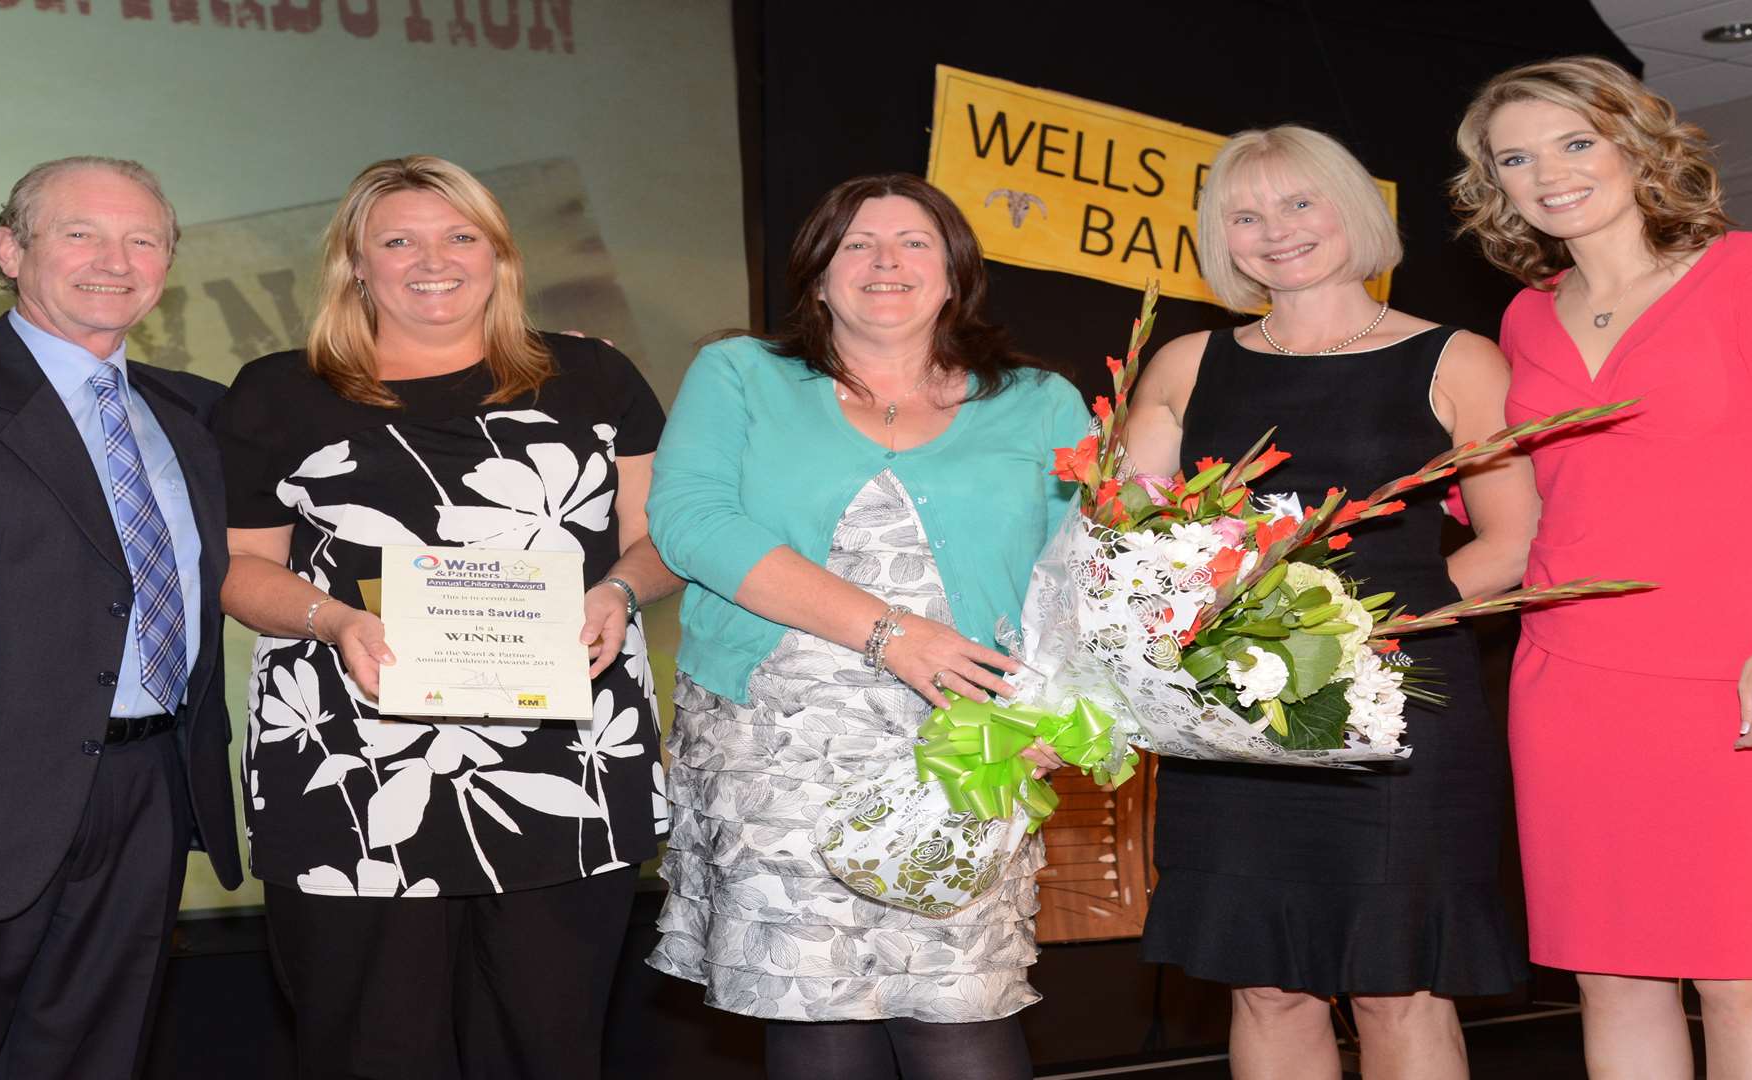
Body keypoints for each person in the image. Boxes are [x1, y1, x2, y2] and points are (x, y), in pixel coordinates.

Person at [212, 155, 677, 1079]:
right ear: (356, 262)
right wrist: (336, 620)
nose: (435, 259)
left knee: (548, 1048)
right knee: (371, 1050)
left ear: (498, 254)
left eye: (461, 235)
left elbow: (660, 539)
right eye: (400, 240)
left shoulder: (592, 375)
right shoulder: (278, 391)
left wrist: (617, 592)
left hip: (564, 766)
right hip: (350, 774)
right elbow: (235, 571)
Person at [645, 172, 1085, 1080]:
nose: (886, 261)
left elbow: (1082, 571)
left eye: (914, 243)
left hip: (966, 747)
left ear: (955, 275)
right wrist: (894, 635)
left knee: (963, 1022)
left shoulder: (1039, 400)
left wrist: (1058, 711)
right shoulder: (740, 373)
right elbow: (690, 521)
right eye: (857, 244)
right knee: (819, 1032)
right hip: (775, 752)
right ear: (817, 278)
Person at [1121, 126, 1539, 1080]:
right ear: (1219, 238)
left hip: (1401, 709)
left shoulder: (1457, 359)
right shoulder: (1188, 365)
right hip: (1236, 714)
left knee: (1399, 988)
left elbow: (1512, 542)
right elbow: (1128, 545)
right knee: (1266, 984)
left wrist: (1345, 635)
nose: (1277, 231)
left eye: (1300, 203)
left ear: (1353, 207)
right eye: (1246, 214)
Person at [1452, 56, 1752, 1079]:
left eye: (1574, 142)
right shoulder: (1522, 319)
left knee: (1745, 974)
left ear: (1636, 143)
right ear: (1496, 183)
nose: (1547, 172)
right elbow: (1536, 508)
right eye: (1516, 156)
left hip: (1737, 668)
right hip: (1569, 679)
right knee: (1613, 976)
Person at [0, 156, 241, 1079]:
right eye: (80, 232)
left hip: (151, 794)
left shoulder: (194, 413)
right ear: (10, 248)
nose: (114, 260)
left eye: (143, 239)